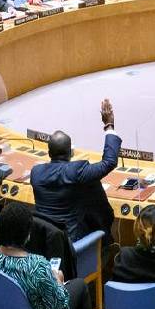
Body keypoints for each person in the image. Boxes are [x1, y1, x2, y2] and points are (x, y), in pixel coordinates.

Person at [0, 203, 94, 309]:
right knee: (80, 285)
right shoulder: (37, 266)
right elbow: (57, 305)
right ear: (27, 234)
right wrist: (58, 281)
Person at [31, 99, 120, 243]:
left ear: (49, 153)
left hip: (43, 240)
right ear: (70, 153)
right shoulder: (76, 172)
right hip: (71, 243)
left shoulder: (36, 173)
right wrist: (109, 125)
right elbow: (109, 162)